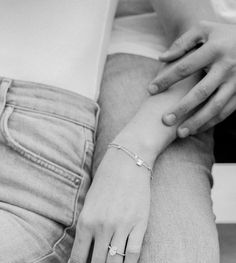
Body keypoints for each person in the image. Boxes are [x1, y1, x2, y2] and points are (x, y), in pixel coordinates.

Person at [0, 1, 213, 263]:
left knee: (172, 252)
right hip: (41, 117)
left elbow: (201, 38)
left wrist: (132, 156)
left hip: (33, 129)